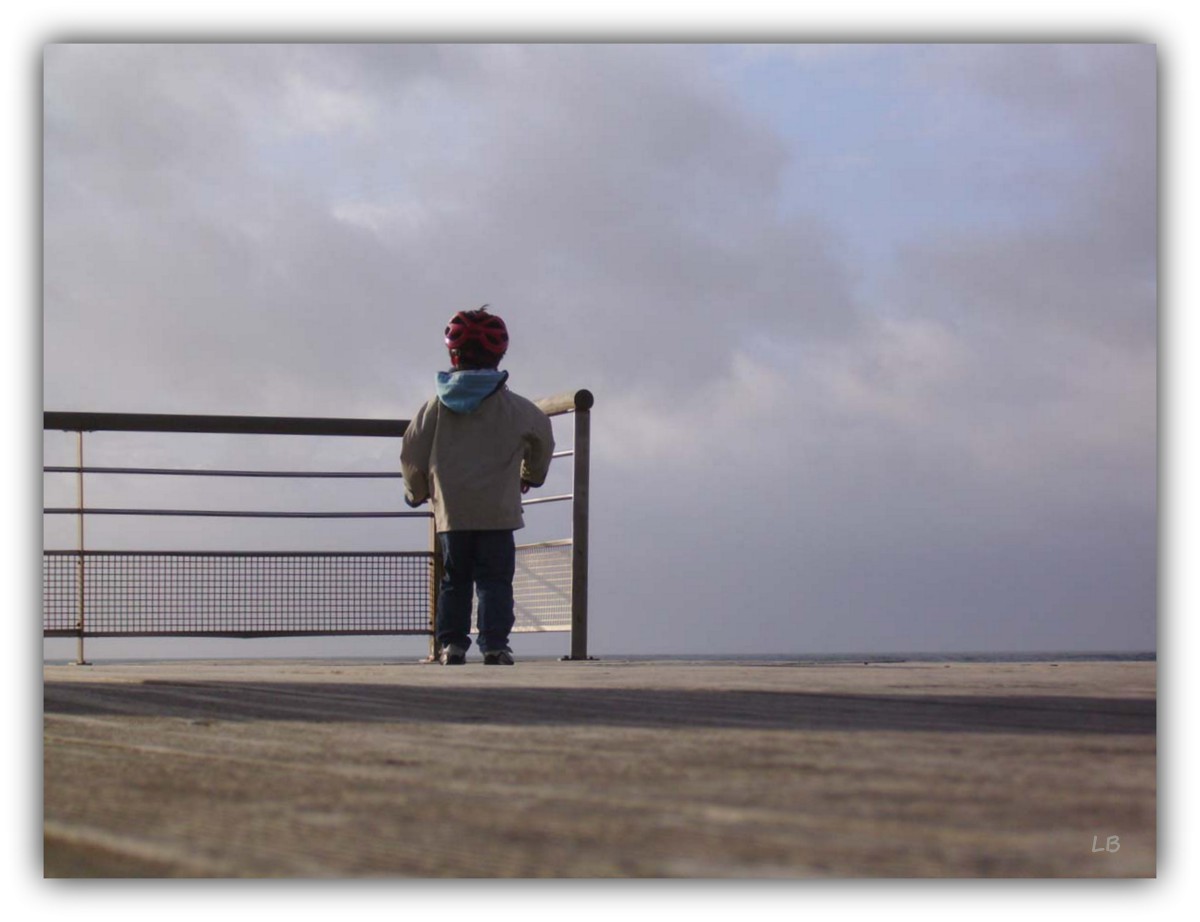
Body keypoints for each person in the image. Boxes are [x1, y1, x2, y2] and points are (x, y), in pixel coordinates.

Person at [400, 306, 555, 665]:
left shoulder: (434, 408)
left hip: (453, 513)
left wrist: (417, 491)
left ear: (453, 355)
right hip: (498, 511)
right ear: (499, 354)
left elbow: (411, 451)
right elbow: (543, 440)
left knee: (455, 580)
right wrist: (532, 475)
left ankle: (451, 645)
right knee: (495, 581)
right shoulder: (517, 408)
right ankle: (495, 645)